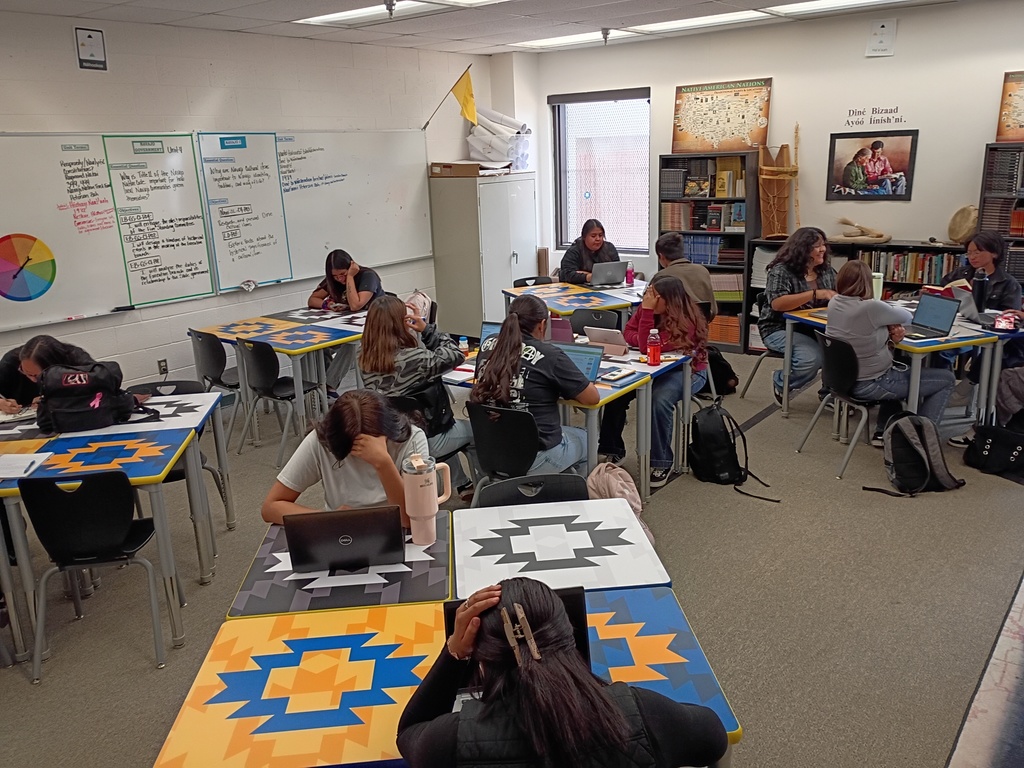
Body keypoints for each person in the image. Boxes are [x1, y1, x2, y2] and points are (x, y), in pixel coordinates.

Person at [396, 577, 729, 768]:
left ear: (483, 661)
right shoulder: (644, 714)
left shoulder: (450, 741)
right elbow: (715, 737)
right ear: (569, 635)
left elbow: (408, 732)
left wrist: (455, 652)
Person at [358, 295, 476, 500]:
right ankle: (486, 490)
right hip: (424, 439)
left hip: (391, 437)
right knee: (475, 431)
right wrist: (427, 328)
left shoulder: (363, 356)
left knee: (440, 423)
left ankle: (461, 483)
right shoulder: (414, 359)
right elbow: (455, 353)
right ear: (400, 324)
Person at [826, 260, 955, 444]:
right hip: (872, 383)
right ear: (867, 283)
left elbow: (861, 336)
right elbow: (907, 317)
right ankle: (922, 437)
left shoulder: (834, 302)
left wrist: (889, 337)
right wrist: (889, 325)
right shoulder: (871, 307)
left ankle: (882, 431)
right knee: (946, 379)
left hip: (842, 380)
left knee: (902, 368)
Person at [598, 274, 709, 488]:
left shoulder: (687, 319)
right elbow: (629, 333)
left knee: (659, 401)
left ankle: (661, 461)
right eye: (649, 295)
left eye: (655, 296)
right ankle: (612, 449)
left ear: (671, 301)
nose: (649, 299)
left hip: (686, 371)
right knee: (616, 393)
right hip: (648, 366)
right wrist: (643, 327)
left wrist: (645, 321)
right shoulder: (647, 306)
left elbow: (646, 345)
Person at [471, 294, 599, 474]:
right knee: (588, 437)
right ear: (542, 324)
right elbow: (592, 398)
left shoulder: (488, 344)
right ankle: (571, 493)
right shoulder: (550, 355)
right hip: (534, 457)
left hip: (490, 451)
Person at [261, 389, 428, 525]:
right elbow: (270, 507)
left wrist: (383, 463)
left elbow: (410, 520)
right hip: (341, 530)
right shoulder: (321, 439)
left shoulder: (412, 439)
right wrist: (327, 519)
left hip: (399, 530)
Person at [757, 227, 838, 403]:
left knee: (842, 350)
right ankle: (781, 381)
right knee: (811, 358)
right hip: (778, 328)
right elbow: (777, 304)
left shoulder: (827, 272)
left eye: (824, 244)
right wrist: (815, 294)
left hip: (815, 327)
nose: (823, 249)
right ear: (803, 249)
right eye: (817, 246)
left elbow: (840, 295)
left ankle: (830, 394)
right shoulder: (781, 271)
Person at [308, 250, 386, 390]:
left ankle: (328, 387)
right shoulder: (334, 279)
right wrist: (328, 305)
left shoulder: (368, 276)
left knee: (351, 344)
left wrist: (350, 277)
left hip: (375, 329)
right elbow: (312, 300)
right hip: (348, 327)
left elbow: (356, 305)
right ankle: (321, 388)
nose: (339, 279)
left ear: (350, 267)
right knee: (318, 345)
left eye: (342, 274)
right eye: (335, 276)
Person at [0, 335, 94, 414]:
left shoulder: (75, 358)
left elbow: (98, 386)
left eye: (37, 376)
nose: (33, 380)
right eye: (26, 372)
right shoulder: (10, 363)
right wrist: (1, 403)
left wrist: (55, 399)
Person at [940, 230, 1022, 312]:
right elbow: (941, 291)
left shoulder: (1009, 283)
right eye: (969, 253)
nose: (972, 257)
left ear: (994, 253)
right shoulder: (959, 273)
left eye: (977, 253)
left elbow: (1011, 316)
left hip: (987, 323)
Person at [654, 231, 717, 319]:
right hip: (701, 327)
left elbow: (650, 308)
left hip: (670, 328)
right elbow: (713, 310)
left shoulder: (661, 276)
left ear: (661, 256)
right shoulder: (703, 270)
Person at [559, 219, 620, 284]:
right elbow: (565, 275)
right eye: (593, 236)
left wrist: (586, 274)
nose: (598, 239)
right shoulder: (574, 251)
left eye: (600, 235)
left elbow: (617, 271)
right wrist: (588, 277)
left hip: (607, 286)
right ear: (584, 237)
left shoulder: (609, 248)